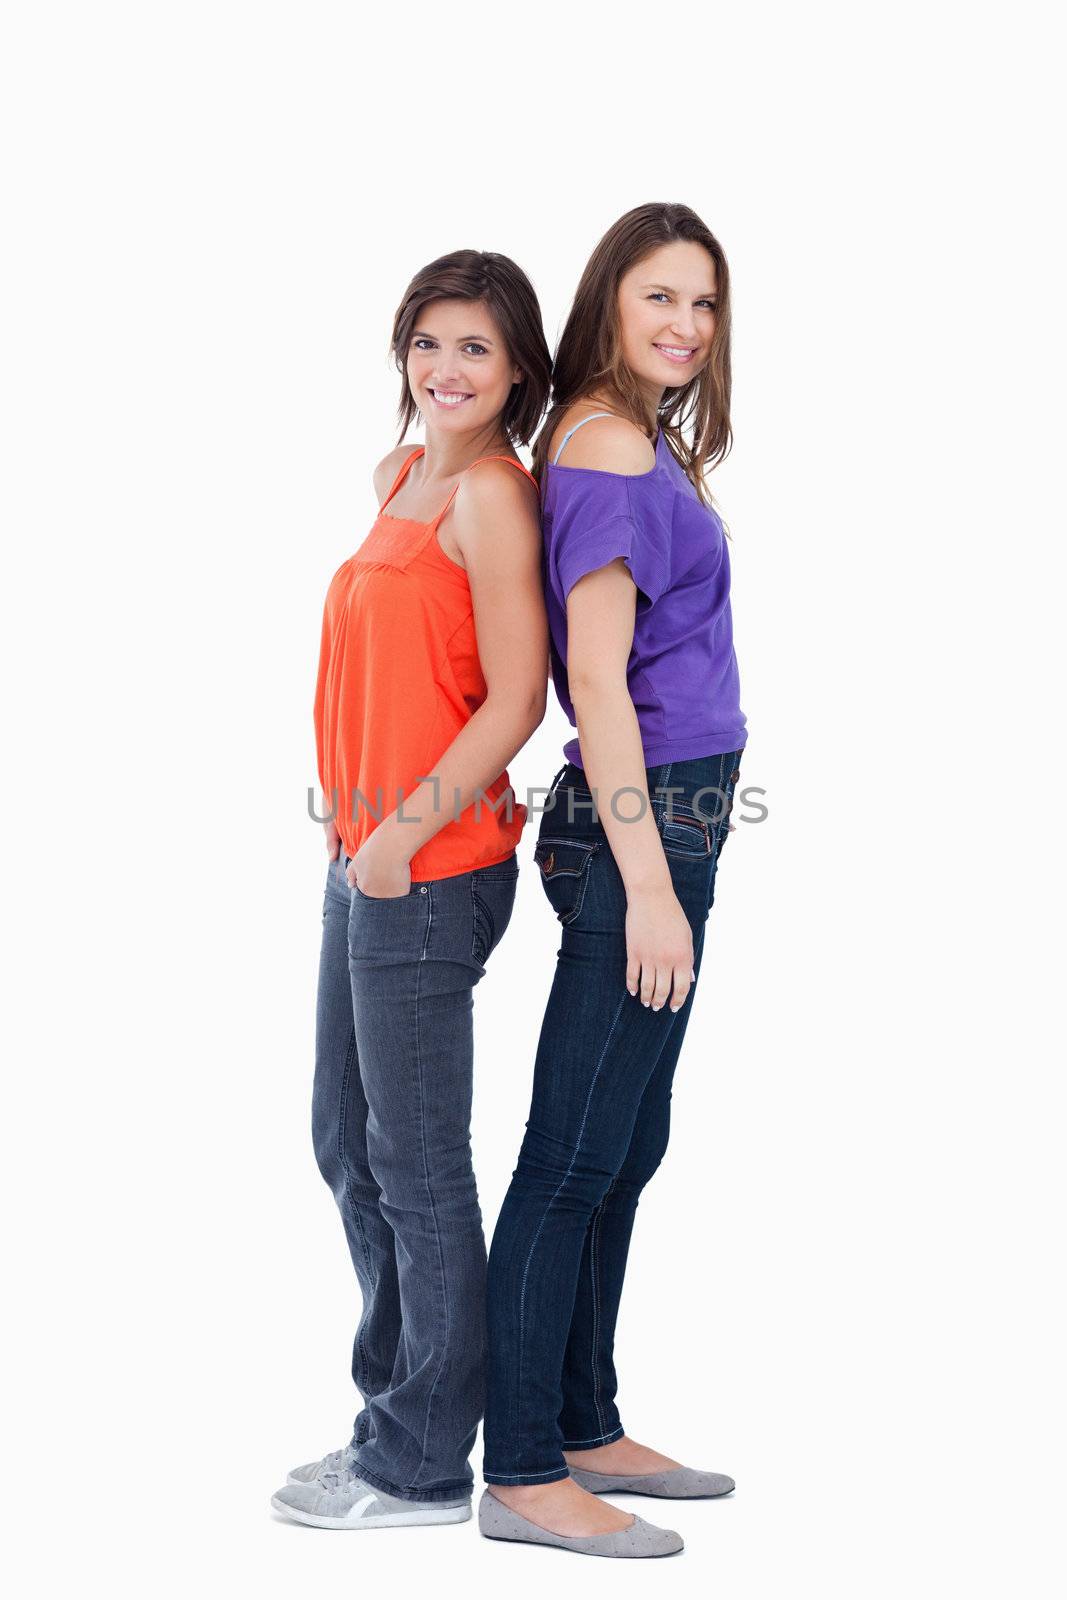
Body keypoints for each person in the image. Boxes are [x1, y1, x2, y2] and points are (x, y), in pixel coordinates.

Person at [480, 203, 748, 1559]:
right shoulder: (597, 440)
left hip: (674, 824)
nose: (683, 328)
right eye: (658, 299)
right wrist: (646, 885)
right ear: (609, 301)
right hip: (636, 833)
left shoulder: (628, 434)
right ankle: (523, 1469)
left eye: (701, 304)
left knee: (623, 1147)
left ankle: (585, 1424)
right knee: (572, 1156)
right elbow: (594, 679)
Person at [272, 250, 551, 1530]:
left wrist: (400, 837)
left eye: (475, 352)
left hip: (426, 871)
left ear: (515, 374)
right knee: (349, 1141)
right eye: (429, 343)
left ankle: (425, 1462)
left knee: (418, 1163)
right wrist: (353, 831)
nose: (446, 369)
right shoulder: (401, 477)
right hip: (361, 859)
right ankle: (396, 1415)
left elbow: (515, 697)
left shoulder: (493, 494)